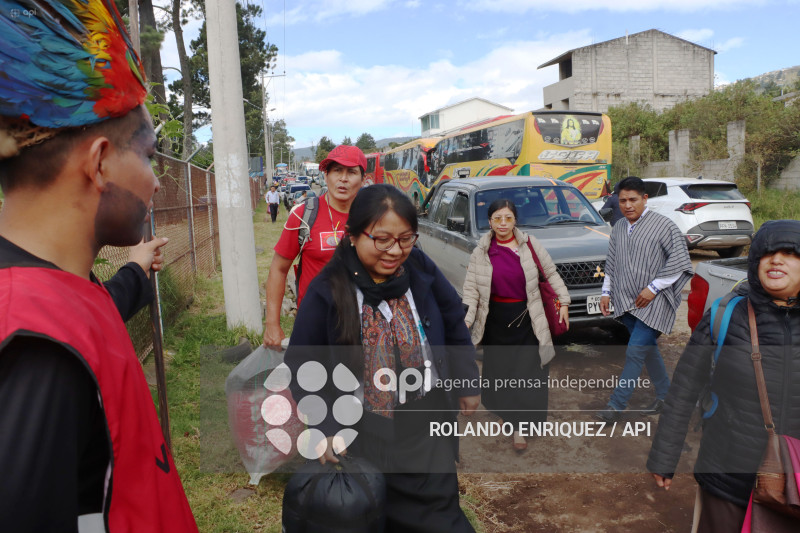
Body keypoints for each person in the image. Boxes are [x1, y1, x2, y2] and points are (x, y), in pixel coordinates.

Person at [0, 5, 198, 531]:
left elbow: (89, 313)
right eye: (152, 157)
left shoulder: (49, 292)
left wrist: (134, 268)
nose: (157, 181)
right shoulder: (36, 353)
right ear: (101, 161)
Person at [284, 184, 480, 532]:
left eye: (406, 238)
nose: (395, 251)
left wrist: (466, 380)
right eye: (382, 240)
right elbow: (302, 366)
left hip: (426, 427)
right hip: (360, 435)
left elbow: (452, 318)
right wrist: (325, 427)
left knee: (442, 520)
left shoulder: (418, 267)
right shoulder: (328, 289)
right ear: (353, 236)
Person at [647, 220, 800, 532]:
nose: (775, 260)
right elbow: (684, 389)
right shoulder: (726, 315)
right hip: (727, 479)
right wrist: (664, 457)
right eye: (766, 253)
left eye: (789, 253)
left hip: (797, 482)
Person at [462, 199, 570, 451]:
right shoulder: (481, 252)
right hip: (497, 321)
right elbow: (471, 292)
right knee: (500, 372)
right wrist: (465, 323)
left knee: (526, 373)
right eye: (497, 218)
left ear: (515, 220)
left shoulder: (530, 245)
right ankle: (507, 413)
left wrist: (564, 301)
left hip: (527, 318)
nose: (503, 223)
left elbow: (551, 273)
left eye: (508, 218)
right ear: (489, 222)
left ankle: (520, 427)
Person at [596, 176, 693, 421]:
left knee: (635, 351)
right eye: (623, 201)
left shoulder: (664, 226)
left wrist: (654, 287)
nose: (628, 205)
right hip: (627, 300)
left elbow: (680, 260)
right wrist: (606, 292)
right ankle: (665, 396)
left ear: (645, 199)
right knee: (648, 350)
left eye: (633, 200)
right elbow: (612, 263)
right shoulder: (618, 227)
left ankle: (616, 405)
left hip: (655, 301)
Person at [262, 145, 366, 349]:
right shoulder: (303, 215)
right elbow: (278, 268)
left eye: (351, 172)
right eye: (337, 170)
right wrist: (272, 324)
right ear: (325, 176)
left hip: (363, 328)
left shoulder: (374, 217)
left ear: (363, 178)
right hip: (313, 327)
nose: (343, 178)